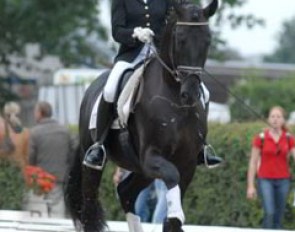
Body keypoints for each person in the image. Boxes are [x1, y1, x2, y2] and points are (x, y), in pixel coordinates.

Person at [83, 0, 223, 170]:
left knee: (205, 93)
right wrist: (135, 34)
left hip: (161, 55)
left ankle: (201, 146)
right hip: (131, 56)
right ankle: (100, 144)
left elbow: (180, 11)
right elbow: (117, 32)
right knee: (110, 88)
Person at [247, 106, 295, 229]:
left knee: (278, 216)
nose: (275, 119)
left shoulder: (289, 138)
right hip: (265, 180)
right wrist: (251, 186)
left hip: (283, 180)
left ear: (283, 120)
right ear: (268, 119)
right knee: (269, 212)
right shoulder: (261, 138)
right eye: (272, 116)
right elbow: (253, 162)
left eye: (278, 117)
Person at [25, 101, 75, 218]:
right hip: (59, 176)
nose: (34, 114)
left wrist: (31, 174)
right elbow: (72, 153)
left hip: (39, 178)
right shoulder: (65, 131)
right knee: (58, 208)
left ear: (40, 113)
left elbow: (30, 157)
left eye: (35, 112)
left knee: (38, 210)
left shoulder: (34, 132)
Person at [0, 101, 29, 173]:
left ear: (4, 114)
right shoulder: (25, 132)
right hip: (20, 170)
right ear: (19, 114)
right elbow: (27, 156)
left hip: (4, 171)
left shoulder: (2, 130)